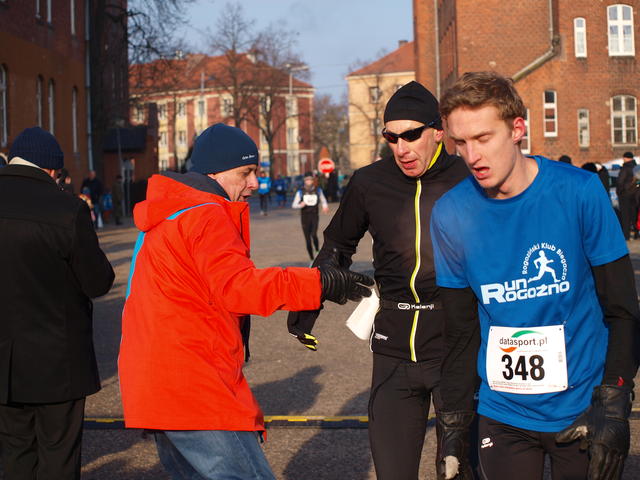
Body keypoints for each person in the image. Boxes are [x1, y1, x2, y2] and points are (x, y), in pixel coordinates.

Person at [118, 123, 373, 480]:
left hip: (155, 381)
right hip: (192, 384)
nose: (255, 182)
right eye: (246, 172)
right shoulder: (204, 214)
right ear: (214, 172)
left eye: (256, 171)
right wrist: (320, 283)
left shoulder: (169, 215)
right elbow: (240, 287)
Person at [430, 71, 639, 480]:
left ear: (517, 129)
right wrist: (453, 427)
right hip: (502, 412)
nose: (472, 156)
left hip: (581, 407)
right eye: (461, 143)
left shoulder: (580, 192)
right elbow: (459, 331)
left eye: (483, 138)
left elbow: (623, 309)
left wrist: (614, 403)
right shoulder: (451, 213)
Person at [287, 81, 470, 480]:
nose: (401, 148)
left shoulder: (467, 176)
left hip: (456, 346)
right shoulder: (370, 181)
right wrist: (307, 305)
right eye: (392, 137)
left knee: (459, 472)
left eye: (412, 135)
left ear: (438, 131)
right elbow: (337, 246)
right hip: (393, 347)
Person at [0, 127, 114, 479]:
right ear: (52, 169)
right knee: (58, 456)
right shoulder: (67, 209)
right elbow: (98, 282)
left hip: (3, 361)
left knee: (15, 453)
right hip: (57, 360)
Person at [291, 172, 329, 261]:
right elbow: (294, 205)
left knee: (314, 234)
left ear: (312, 180)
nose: (308, 181)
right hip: (304, 217)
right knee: (307, 239)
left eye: (310, 179)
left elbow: (323, 200)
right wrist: (300, 205)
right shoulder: (300, 192)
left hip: (314, 215)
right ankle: (312, 259)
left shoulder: (318, 190)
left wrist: (325, 206)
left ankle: (317, 250)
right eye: (307, 180)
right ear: (304, 181)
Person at [616, 151, 637, 240]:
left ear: (627, 158)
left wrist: (619, 191)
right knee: (634, 215)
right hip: (635, 194)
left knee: (625, 216)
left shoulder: (625, 168)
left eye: (624, 158)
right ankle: (636, 233)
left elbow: (620, 181)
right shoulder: (636, 167)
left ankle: (626, 235)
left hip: (625, 195)